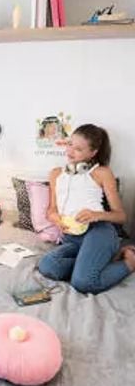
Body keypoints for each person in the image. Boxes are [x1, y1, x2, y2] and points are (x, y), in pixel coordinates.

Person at [39, 124, 135, 294]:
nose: (70, 151)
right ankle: (96, 261)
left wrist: (95, 215)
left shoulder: (102, 173)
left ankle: (129, 263)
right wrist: (55, 218)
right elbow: (51, 210)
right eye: (70, 144)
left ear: (93, 153)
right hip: (71, 237)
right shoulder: (56, 174)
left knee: (83, 283)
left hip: (98, 232)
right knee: (48, 266)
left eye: (78, 149)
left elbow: (121, 216)